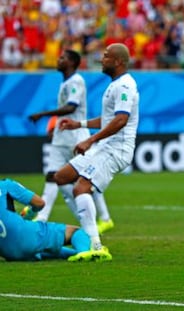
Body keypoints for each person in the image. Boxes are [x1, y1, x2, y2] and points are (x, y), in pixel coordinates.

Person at [54, 43, 139, 262]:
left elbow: (121, 120)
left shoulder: (125, 86)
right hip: (105, 146)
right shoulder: (115, 84)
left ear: (118, 61)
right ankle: (89, 227)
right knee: (61, 176)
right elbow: (109, 119)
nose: (102, 59)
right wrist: (79, 124)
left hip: (116, 148)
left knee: (81, 187)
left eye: (106, 56)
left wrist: (90, 139)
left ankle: (95, 244)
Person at [28, 49, 114, 235]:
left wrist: (43, 114)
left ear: (72, 63)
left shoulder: (76, 81)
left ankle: (105, 218)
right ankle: (42, 218)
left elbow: (71, 107)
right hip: (61, 138)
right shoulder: (66, 82)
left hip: (77, 138)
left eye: (63, 58)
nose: (58, 60)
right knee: (52, 177)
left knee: (87, 178)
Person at [0, 178, 91, 262]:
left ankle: (74, 254)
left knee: (38, 249)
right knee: (75, 232)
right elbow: (39, 203)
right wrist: (30, 212)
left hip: (6, 252)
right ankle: (84, 254)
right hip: (23, 234)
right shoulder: (5, 184)